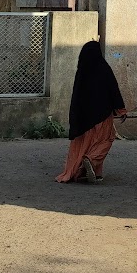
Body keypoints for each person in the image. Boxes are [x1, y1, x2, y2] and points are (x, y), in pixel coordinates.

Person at [55, 41, 127, 184]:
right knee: (106, 140)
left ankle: (92, 173)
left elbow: (76, 96)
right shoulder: (104, 68)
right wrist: (121, 109)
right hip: (102, 115)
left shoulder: (82, 71)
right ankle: (91, 159)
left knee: (84, 144)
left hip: (83, 118)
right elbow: (113, 89)